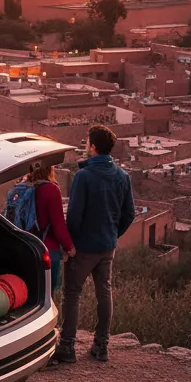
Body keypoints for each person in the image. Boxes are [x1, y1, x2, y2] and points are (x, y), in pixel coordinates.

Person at [51, 124, 135, 365]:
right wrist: (113, 234)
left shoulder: (84, 176)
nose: (86, 145)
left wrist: (70, 245)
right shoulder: (122, 176)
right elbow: (129, 214)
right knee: (104, 293)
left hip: (84, 247)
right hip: (107, 246)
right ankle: (101, 346)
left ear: (94, 147)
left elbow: (74, 216)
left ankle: (67, 347)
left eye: (88, 142)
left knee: (72, 294)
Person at [26, 163, 74, 294]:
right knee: (47, 296)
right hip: (47, 248)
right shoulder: (51, 189)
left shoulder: (23, 188)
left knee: (31, 294)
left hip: (27, 248)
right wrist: (70, 247)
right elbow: (58, 224)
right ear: (49, 169)